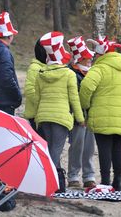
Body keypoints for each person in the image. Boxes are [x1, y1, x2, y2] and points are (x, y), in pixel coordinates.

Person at [79, 36, 121, 191]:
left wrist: (86, 105)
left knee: (104, 148)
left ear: (101, 54)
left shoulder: (99, 69)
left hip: (101, 115)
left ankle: (105, 181)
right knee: (117, 148)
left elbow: (86, 87)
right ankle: (118, 182)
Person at [34, 31, 85, 172]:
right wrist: (80, 119)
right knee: (55, 150)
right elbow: (74, 98)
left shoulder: (40, 74)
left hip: (43, 117)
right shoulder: (68, 74)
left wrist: (33, 117)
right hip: (61, 118)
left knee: (49, 148)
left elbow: (37, 98)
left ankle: (47, 179)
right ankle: (53, 182)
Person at [66, 36, 96, 189]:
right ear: (79, 59)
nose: (90, 59)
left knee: (90, 147)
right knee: (77, 146)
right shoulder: (70, 72)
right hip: (76, 116)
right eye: (87, 57)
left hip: (91, 115)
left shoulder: (91, 72)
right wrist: (78, 116)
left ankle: (89, 176)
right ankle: (73, 176)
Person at [23, 39, 47, 131]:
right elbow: (29, 90)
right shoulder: (35, 68)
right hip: (35, 115)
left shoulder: (46, 67)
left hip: (43, 114)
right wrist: (42, 104)